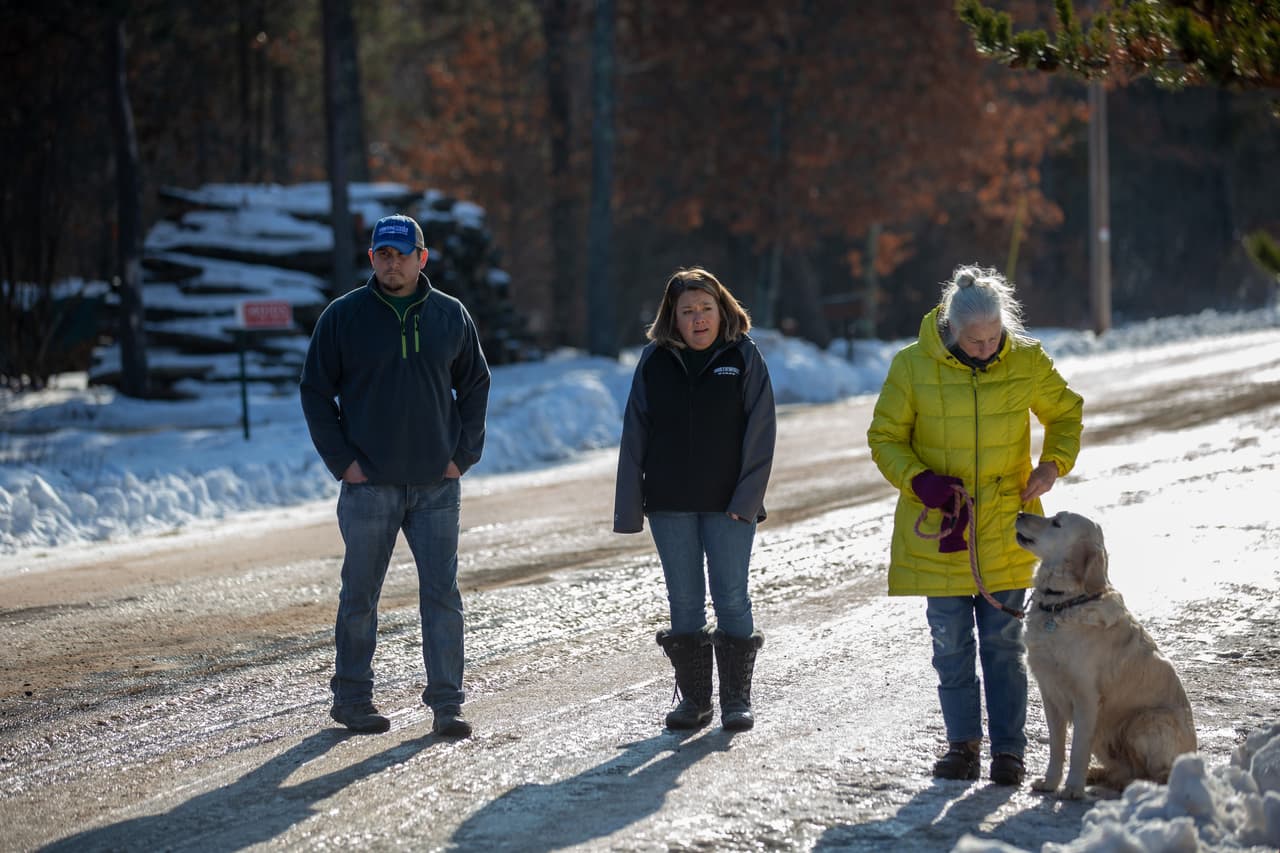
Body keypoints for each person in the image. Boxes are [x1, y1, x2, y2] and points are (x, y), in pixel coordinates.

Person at [866, 264, 1083, 785]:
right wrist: (919, 481)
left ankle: (1010, 751)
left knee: (1004, 647)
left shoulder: (1027, 361)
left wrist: (1051, 465)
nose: (986, 347)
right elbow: (885, 438)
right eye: (975, 339)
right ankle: (961, 745)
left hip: (1009, 529)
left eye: (993, 337)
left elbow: (1066, 413)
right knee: (951, 646)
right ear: (950, 330)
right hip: (943, 531)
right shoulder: (912, 367)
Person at [300, 213, 491, 737]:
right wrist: (344, 463)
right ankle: (353, 700)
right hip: (370, 486)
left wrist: (462, 455)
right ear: (372, 259)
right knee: (359, 595)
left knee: (442, 595)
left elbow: (475, 386)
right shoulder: (344, 317)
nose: (392, 263)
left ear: (421, 258)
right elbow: (316, 391)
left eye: (401, 254)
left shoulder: (450, 315)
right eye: (383, 254)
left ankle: (447, 704)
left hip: (436, 484)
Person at [614, 267, 776, 732]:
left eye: (706, 308)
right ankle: (695, 703)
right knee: (684, 602)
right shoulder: (654, 361)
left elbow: (761, 434)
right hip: (669, 502)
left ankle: (736, 702)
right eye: (688, 311)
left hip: (730, 504)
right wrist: (630, 506)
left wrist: (747, 498)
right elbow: (635, 434)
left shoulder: (743, 357)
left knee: (731, 599)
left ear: (721, 310)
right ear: (674, 317)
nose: (698, 318)